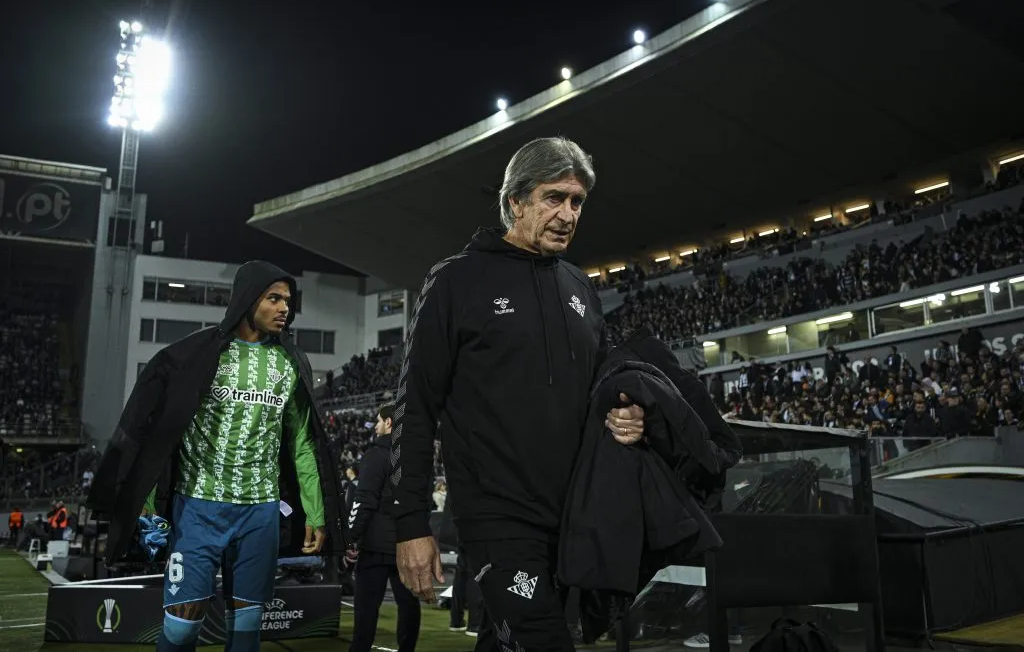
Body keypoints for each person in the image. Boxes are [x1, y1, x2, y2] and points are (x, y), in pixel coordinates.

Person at [391, 137, 645, 651]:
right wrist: (410, 525)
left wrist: (629, 414)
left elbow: (603, 390)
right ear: (515, 202)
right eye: (554, 198)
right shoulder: (456, 280)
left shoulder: (580, 289)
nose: (568, 214)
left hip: (572, 515)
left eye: (577, 202)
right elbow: (414, 408)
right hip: (497, 518)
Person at [87, 261, 344, 652]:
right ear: (247, 299)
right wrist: (148, 503)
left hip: (260, 512)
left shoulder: (290, 363)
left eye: (288, 301)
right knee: (184, 621)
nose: (284, 309)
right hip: (199, 508)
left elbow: (303, 443)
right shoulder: (201, 356)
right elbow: (161, 432)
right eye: (274, 298)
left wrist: (316, 512)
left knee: (247, 625)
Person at [347, 402, 421, 652]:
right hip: (407, 542)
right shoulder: (415, 455)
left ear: (389, 423)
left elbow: (364, 499)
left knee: (367, 608)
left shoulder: (375, 455)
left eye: (379, 420)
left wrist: (352, 537)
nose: (376, 425)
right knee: (409, 605)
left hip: (377, 545)